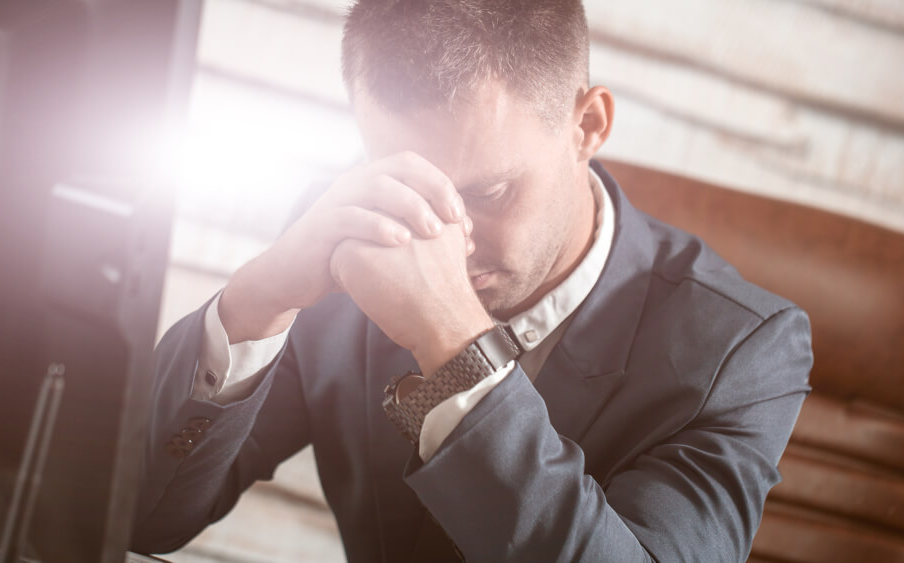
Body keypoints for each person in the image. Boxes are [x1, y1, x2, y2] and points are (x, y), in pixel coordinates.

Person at [132, 1, 813, 561]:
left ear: (588, 125)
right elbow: (142, 518)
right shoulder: (357, 227)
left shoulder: (739, 353)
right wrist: (258, 299)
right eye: (410, 179)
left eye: (489, 191)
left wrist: (456, 346)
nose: (444, 241)